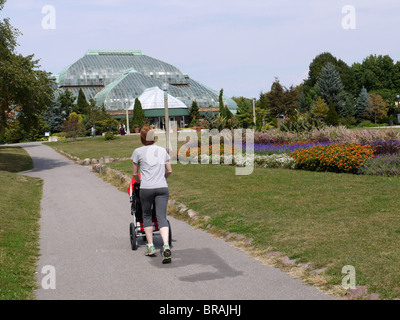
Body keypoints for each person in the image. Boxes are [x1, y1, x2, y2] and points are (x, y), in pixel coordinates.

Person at [131, 125, 173, 263]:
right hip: (162, 187)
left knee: (147, 215)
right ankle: (166, 246)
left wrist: (138, 182)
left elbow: (135, 174)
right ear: (154, 137)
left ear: (142, 138)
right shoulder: (162, 151)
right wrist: (163, 179)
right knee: (161, 216)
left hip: (146, 188)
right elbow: (169, 170)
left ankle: (150, 246)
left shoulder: (137, 152)